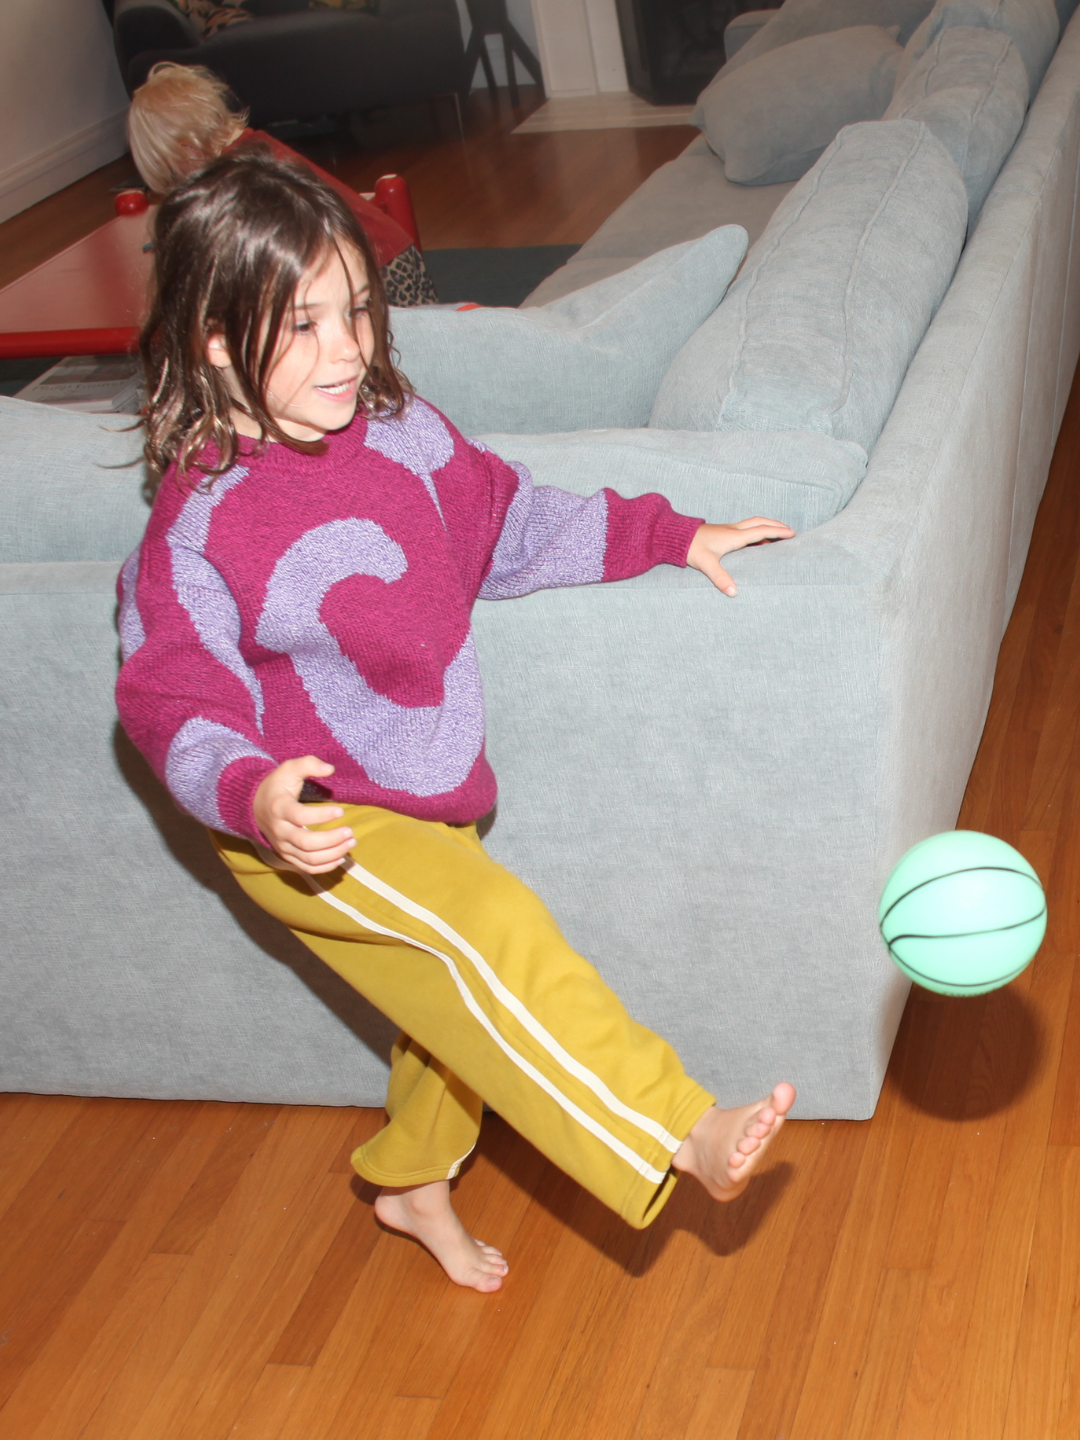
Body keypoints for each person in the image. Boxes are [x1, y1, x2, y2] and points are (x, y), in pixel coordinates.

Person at [115, 150, 797, 1294]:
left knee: (450, 1000)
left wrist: (669, 534)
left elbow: (515, 522)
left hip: (423, 784)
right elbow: (174, 697)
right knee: (492, 934)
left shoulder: (404, 435)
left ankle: (410, 1181)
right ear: (217, 338)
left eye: (360, 313)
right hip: (308, 823)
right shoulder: (194, 531)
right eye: (306, 325)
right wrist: (256, 793)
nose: (350, 351)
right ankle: (674, 1126)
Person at [126, 61, 438, 306]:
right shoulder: (253, 148)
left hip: (376, 271)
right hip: (379, 258)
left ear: (190, 151)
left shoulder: (243, 173)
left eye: (175, 177)